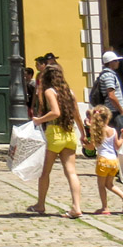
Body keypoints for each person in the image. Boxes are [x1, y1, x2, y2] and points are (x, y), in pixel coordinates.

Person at [30, 63, 86, 219]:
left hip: (55, 134)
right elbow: (77, 115)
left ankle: (40, 205)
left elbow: (55, 112)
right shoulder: (70, 92)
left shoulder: (50, 91)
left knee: (45, 172)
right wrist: (83, 134)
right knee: (71, 172)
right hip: (69, 133)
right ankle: (76, 207)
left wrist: (39, 120)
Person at [87, 104, 123, 216]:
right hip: (113, 161)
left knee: (101, 185)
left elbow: (91, 148)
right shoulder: (112, 130)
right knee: (110, 184)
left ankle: (105, 207)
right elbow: (117, 146)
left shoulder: (96, 131)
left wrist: (84, 144)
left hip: (103, 161)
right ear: (108, 118)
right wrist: (122, 136)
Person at [93, 51, 123, 131]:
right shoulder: (109, 76)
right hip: (114, 112)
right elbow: (111, 96)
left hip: (112, 111)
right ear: (111, 62)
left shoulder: (107, 74)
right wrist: (121, 110)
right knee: (118, 136)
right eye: (116, 61)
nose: (118, 62)